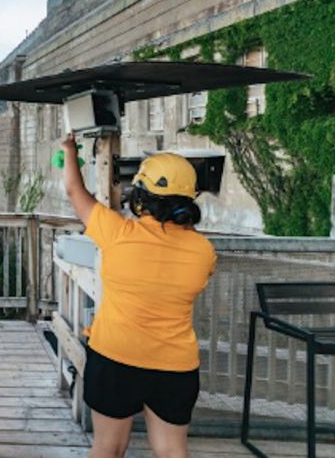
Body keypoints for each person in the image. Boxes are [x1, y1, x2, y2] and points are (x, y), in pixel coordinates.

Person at [60, 134, 216, 458]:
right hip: (174, 365)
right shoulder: (203, 251)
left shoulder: (116, 232)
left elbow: (75, 191)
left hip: (115, 356)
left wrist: (69, 150)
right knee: (173, 450)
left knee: (108, 448)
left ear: (142, 194)